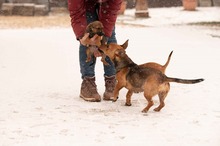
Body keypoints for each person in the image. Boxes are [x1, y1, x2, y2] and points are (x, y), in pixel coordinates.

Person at [68, 0, 122, 102]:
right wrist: (83, 38)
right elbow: (77, 13)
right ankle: (88, 82)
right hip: (85, 4)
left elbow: (111, 13)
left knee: (109, 36)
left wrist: (103, 40)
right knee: (88, 33)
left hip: (109, 4)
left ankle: (111, 80)